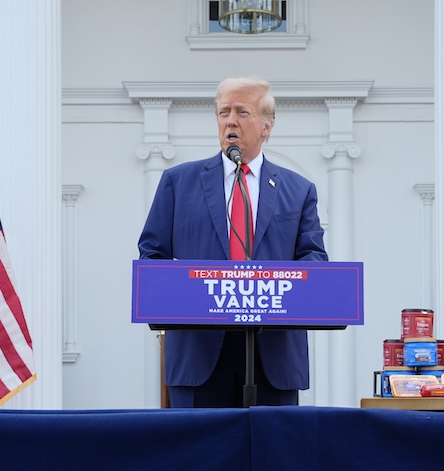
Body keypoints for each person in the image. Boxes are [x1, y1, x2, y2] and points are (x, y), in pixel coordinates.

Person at [138, 76, 328, 408]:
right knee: (200, 459)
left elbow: (313, 260)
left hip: (273, 354)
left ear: (267, 126)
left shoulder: (298, 191)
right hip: (199, 353)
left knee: (272, 457)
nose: (230, 121)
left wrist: (273, 287)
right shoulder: (177, 183)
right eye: (223, 112)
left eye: (242, 112)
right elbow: (152, 256)